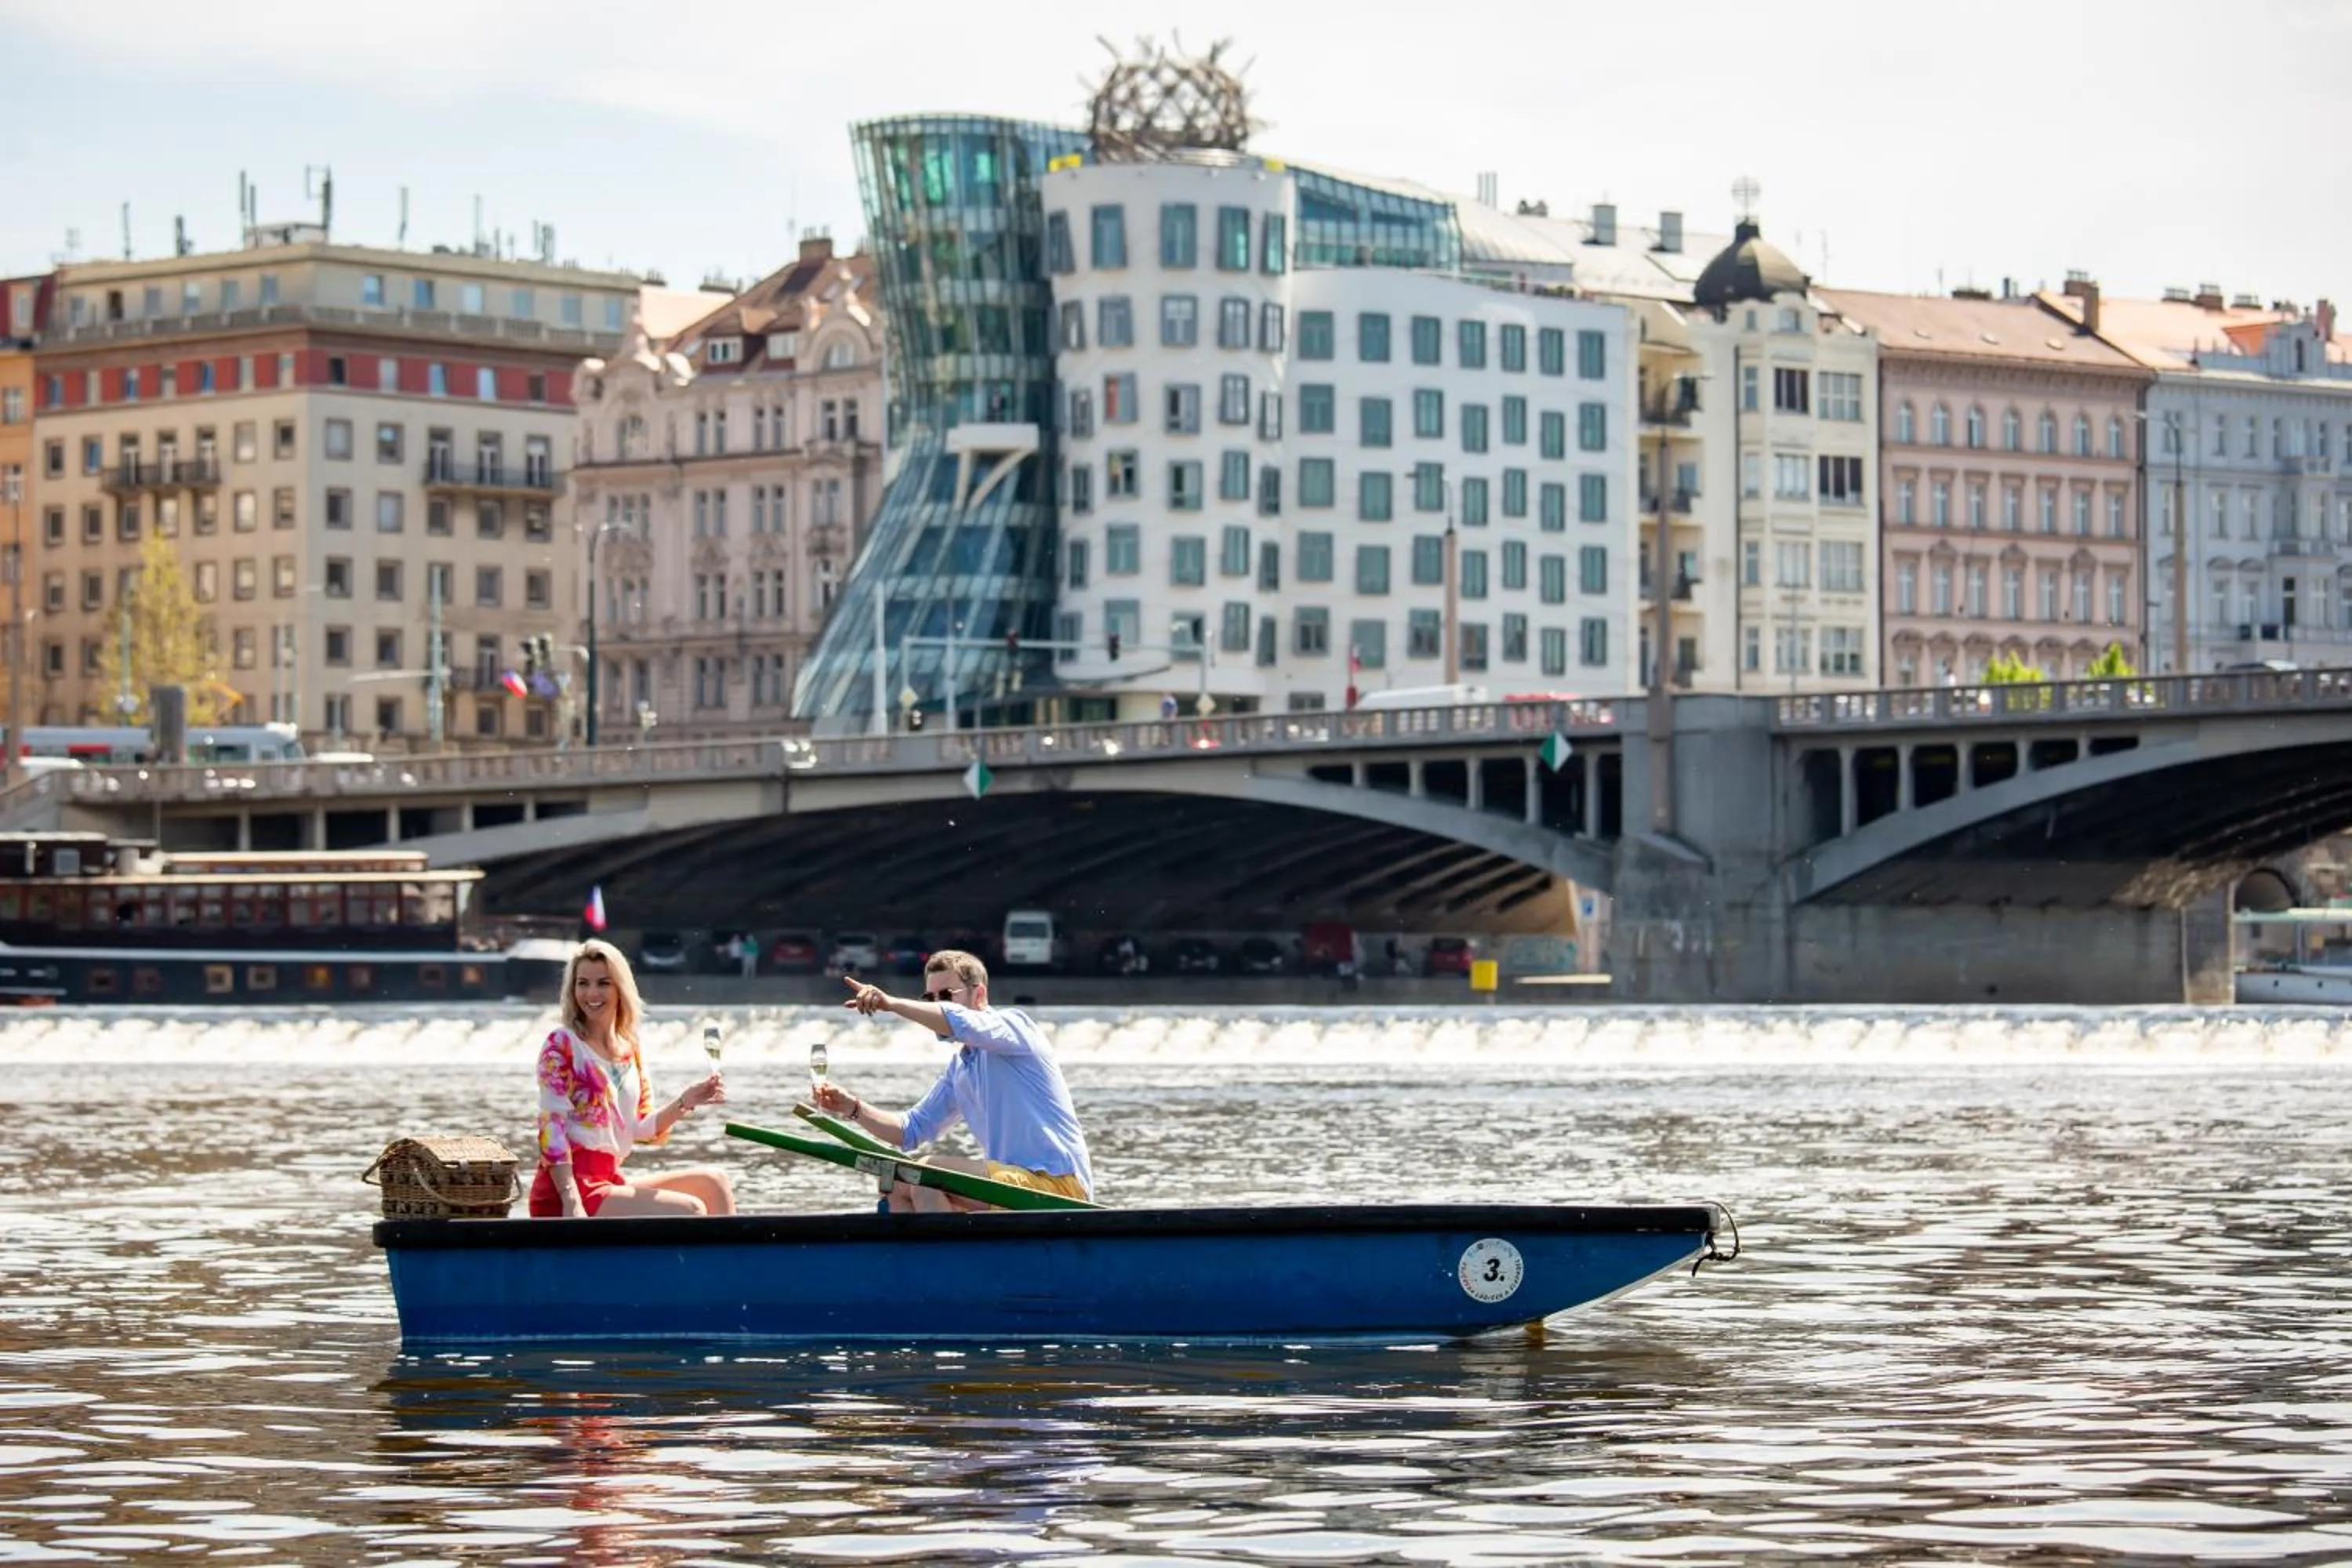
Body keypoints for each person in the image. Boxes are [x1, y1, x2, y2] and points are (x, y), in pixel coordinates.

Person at [810, 949, 1094, 1211]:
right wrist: (852, 1108)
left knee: (926, 1174)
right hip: (1012, 1185)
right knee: (895, 1181)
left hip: (1059, 1186)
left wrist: (891, 1004)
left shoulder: (1015, 1028)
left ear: (979, 995)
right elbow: (910, 1131)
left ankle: (948, 1261)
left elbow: (956, 1019)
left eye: (945, 995)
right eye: (929, 998)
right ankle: (915, 1262)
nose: (936, 1005)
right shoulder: (960, 1068)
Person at [528, 938, 736, 1218]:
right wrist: (571, 1199)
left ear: (620, 988)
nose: (591, 993)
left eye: (603, 983)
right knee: (691, 1210)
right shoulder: (561, 1044)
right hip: (568, 1189)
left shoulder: (630, 1048)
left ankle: (725, 1264)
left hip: (608, 1180)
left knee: (715, 1182)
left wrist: (686, 1101)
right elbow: (550, 1128)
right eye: (583, 983)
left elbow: (641, 1130)